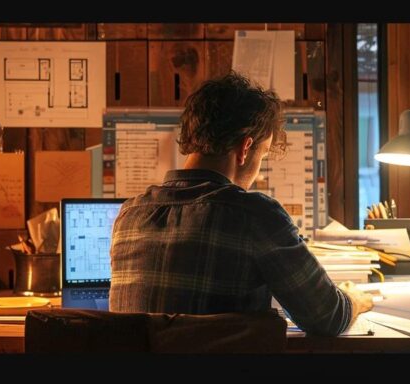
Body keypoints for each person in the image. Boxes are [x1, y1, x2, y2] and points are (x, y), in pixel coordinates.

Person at [108, 72, 373, 336]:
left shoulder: (129, 214)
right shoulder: (255, 215)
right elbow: (327, 317)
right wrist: (354, 299)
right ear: (245, 149)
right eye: (264, 153)